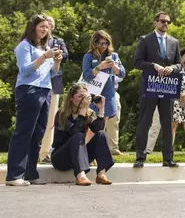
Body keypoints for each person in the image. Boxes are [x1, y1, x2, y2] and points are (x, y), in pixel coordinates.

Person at [5, 15, 63, 186]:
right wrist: (45, 56)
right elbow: (25, 70)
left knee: (37, 134)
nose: (45, 30)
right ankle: (14, 175)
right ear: (33, 28)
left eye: (47, 27)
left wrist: (56, 62)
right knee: (24, 132)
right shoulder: (24, 46)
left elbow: (52, 74)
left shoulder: (44, 47)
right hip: (29, 90)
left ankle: (31, 173)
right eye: (42, 27)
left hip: (45, 90)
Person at [133, 11, 182, 168]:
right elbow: (137, 62)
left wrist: (172, 68)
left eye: (168, 21)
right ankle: (140, 157)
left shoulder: (174, 42)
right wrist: (153, 65)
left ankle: (168, 158)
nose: (165, 24)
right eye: (162, 21)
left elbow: (180, 64)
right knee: (145, 121)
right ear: (155, 23)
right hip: (150, 86)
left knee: (167, 123)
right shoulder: (145, 40)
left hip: (168, 87)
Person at [51, 83, 114, 185]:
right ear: (71, 98)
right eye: (80, 96)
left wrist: (101, 110)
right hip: (61, 158)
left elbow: (99, 129)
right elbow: (75, 132)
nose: (83, 100)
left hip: (79, 156)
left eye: (85, 97)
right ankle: (81, 176)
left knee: (102, 134)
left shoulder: (89, 113)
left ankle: (101, 174)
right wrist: (83, 110)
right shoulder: (62, 114)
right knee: (79, 136)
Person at [81, 30, 126, 136]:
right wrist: (99, 67)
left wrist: (114, 66)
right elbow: (86, 76)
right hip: (92, 94)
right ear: (95, 43)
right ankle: (85, 149)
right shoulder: (88, 56)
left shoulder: (113, 56)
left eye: (106, 43)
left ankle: (97, 150)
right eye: (101, 43)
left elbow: (122, 74)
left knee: (101, 127)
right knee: (90, 128)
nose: (104, 46)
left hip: (107, 95)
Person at [39, 16, 69, 164]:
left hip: (54, 83)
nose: (47, 27)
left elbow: (67, 55)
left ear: (52, 27)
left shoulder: (58, 41)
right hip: (38, 82)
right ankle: (32, 150)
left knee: (51, 119)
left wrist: (59, 55)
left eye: (49, 24)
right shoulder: (35, 42)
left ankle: (45, 153)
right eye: (44, 24)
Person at [172, 48, 185, 160]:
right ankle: (170, 153)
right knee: (173, 125)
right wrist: (180, 95)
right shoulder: (176, 69)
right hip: (175, 99)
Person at [107, 74, 124, 155]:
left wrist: (113, 66)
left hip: (113, 93)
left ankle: (113, 149)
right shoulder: (91, 60)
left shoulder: (116, 61)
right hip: (97, 91)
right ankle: (95, 149)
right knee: (96, 123)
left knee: (114, 122)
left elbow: (121, 76)